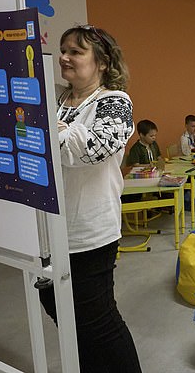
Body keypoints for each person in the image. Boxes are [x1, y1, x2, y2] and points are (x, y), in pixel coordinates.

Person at [46, 25, 142, 372]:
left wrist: (53, 130)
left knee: (98, 320)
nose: (64, 57)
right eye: (63, 49)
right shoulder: (55, 99)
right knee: (62, 312)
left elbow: (94, 149)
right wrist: (58, 130)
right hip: (52, 231)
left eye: (75, 51)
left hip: (90, 231)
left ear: (101, 62)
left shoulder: (114, 102)